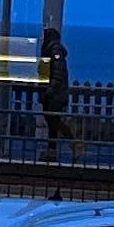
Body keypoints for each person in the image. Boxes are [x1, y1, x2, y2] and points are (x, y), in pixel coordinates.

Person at [38, 24, 76, 162]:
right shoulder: (52, 51)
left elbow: (57, 74)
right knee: (52, 122)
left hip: (55, 95)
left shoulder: (54, 51)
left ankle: (74, 143)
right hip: (53, 93)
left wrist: (50, 89)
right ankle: (52, 151)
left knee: (54, 121)